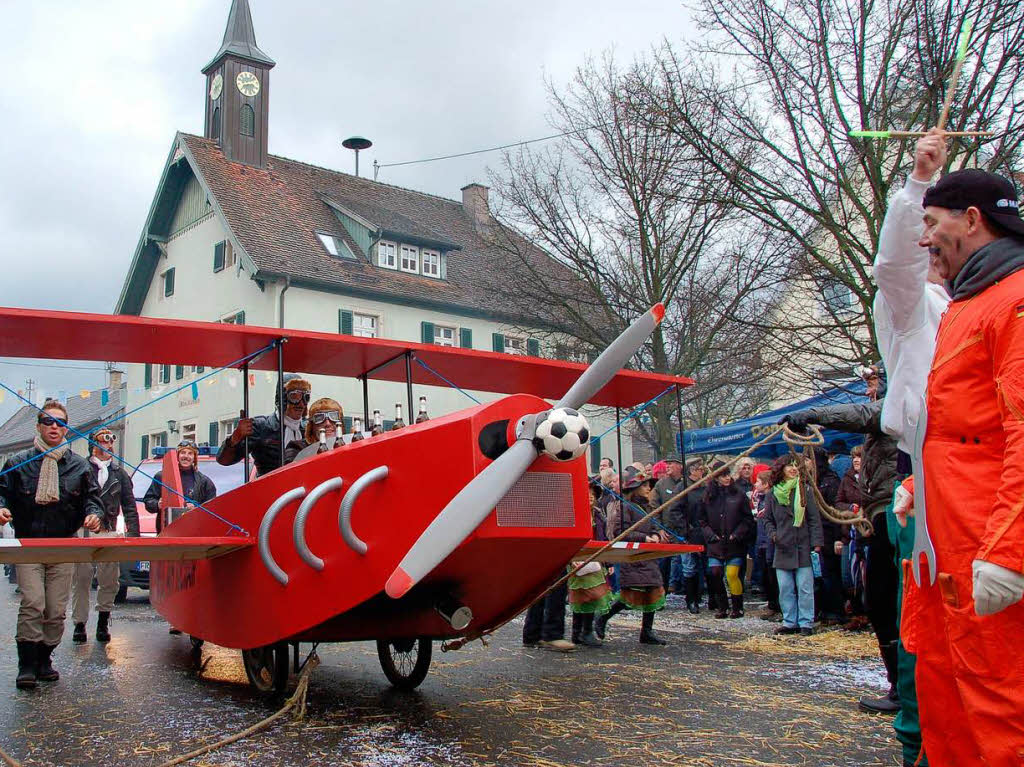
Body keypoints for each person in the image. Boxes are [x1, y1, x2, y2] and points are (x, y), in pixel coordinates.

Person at [901, 162, 1024, 766]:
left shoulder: (1015, 301)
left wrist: (1008, 551)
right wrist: (917, 483)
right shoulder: (966, 307)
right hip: (947, 547)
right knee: (945, 693)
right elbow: (959, 425)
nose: (924, 239)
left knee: (1001, 704)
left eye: (931, 222)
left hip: (985, 549)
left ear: (972, 220)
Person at [780, 371, 903, 712]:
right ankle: (901, 685)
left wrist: (813, 414)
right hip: (880, 511)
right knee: (878, 598)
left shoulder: (899, 405)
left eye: (874, 383)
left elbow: (865, 414)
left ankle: (903, 688)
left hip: (896, 510)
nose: (869, 389)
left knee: (883, 599)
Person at [0, 401, 102, 689]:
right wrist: (1, 508)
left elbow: (92, 498)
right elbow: (2, 493)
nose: (54, 426)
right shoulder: (17, 462)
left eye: (60, 422)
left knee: (56, 609)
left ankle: (45, 659)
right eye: (48, 421)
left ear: (67, 428)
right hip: (29, 544)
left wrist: (94, 515)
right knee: (33, 603)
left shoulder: (80, 465)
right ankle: (27, 664)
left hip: (64, 545)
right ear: (39, 426)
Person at [71, 428, 139, 644]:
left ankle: (103, 620)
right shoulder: (80, 468)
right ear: (94, 443)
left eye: (110, 440)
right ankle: (79, 623)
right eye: (103, 439)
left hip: (109, 530)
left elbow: (129, 506)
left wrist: (134, 537)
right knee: (81, 578)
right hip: (83, 531)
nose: (107, 444)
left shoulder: (119, 473)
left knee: (109, 579)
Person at [595, 467, 667, 644]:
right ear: (635, 488)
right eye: (644, 486)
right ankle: (603, 618)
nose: (648, 488)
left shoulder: (647, 507)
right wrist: (644, 538)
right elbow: (621, 532)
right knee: (630, 595)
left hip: (647, 556)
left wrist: (657, 534)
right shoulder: (625, 507)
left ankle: (647, 632)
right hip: (633, 557)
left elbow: (655, 525)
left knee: (653, 591)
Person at [763, 455, 823, 636]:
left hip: (802, 545)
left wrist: (816, 543)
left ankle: (806, 622)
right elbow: (767, 519)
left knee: (805, 587)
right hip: (782, 546)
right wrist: (774, 535)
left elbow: (814, 519)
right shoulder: (772, 494)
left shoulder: (805, 491)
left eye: (796, 466)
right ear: (781, 469)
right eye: (789, 466)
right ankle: (790, 622)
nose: (793, 469)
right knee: (786, 588)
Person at [216, 374, 311, 476]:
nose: (301, 404)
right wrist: (235, 438)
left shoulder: (307, 429)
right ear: (282, 398)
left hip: (301, 490)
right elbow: (223, 460)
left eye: (305, 397)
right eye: (295, 397)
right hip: (270, 489)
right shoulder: (262, 427)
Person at [700, 461, 755, 619]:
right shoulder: (708, 496)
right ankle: (722, 606)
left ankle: (738, 607)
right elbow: (702, 521)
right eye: (723, 475)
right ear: (716, 478)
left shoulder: (738, 495)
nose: (727, 478)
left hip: (734, 543)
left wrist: (737, 534)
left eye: (728, 474)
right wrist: (710, 535)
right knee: (715, 573)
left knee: (732, 573)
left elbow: (747, 519)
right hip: (715, 542)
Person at [568, 484, 615, 647]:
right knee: (582, 595)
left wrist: (608, 561)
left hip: (595, 559)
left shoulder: (597, 514)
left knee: (593, 595)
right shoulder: (574, 515)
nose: (590, 496)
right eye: (586, 493)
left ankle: (585, 631)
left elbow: (603, 538)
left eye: (592, 494)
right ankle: (579, 632)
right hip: (578, 559)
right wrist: (570, 558)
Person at [143, 442, 217, 534]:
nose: (186, 456)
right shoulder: (162, 476)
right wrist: (158, 504)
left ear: (194, 458)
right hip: (166, 531)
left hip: (194, 533)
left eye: (190, 453)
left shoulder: (204, 482)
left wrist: (196, 508)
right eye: (183, 453)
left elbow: (212, 510)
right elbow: (148, 500)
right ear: (177, 455)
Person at [650, 454, 686, 594]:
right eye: (667, 463)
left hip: (683, 531)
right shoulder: (661, 484)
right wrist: (659, 529)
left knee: (686, 564)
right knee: (663, 564)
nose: (668, 466)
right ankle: (662, 593)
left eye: (671, 463)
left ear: (680, 466)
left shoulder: (687, 483)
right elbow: (654, 508)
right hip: (666, 531)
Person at [283, 398, 345, 463]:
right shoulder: (297, 448)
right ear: (312, 426)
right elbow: (290, 470)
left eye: (333, 417)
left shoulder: (347, 445)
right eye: (320, 418)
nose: (327, 423)